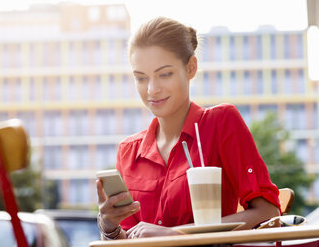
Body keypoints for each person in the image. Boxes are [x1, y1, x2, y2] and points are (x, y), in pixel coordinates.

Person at [96, 16, 281, 240]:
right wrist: (109, 227)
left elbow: (268, 213)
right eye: (141, 78)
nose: (152, 89)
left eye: (165, 74)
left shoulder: (221, 124)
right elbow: (128, 240)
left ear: (191, 67)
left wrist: (176, 235)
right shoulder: (128, 152)